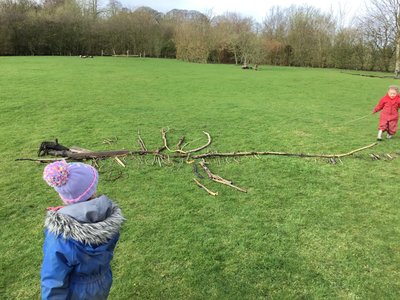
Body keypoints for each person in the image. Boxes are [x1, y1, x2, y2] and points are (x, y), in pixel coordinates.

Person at [41, 160, 124, 299]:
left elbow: (53, 280)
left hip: (76, 293)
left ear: (62, 195)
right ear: (93, 190)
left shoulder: (60, 237)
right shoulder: (107, 216)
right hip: (102, 282)